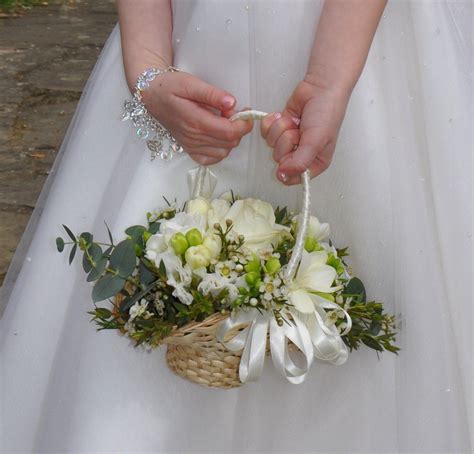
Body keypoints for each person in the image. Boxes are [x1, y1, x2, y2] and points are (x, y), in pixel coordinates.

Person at [1, 0, 471, 452]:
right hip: (196, 42)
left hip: (358, 45)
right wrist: (146, 66)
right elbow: (146, 57)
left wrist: (329, 79)